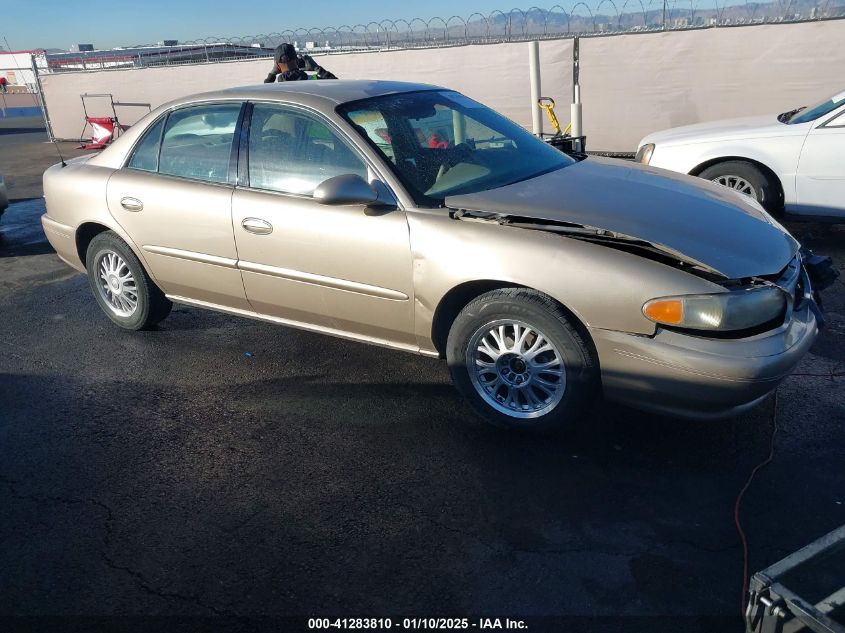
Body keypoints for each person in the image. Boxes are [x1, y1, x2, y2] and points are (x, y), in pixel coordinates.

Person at [263, 43, 337, 83]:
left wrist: (272, 74)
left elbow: (264, 90)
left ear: (277, 65)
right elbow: (336, 83)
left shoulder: (276, 88)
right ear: (296, 60)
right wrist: (317, 68)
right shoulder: (313, 80)